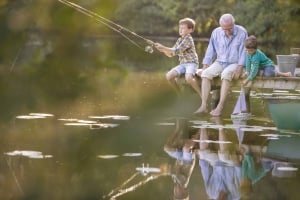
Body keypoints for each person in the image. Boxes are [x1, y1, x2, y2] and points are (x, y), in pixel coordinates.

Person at [194, 13, 248, 116]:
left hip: (235, 63)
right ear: (221, 26)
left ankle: (219, 107)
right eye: (225, 29)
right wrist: (205, 66)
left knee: (226, 74)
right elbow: (210, 50)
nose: (227, 31)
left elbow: (243, 53)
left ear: (233, 24)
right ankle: (204, 106)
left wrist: (239, 69)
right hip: (220, 61)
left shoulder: (242, 32)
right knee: (205, 74)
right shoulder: (216, 32)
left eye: (230, 28)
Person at [154, 18, 202, 101]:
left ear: (190, 30)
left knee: (188, 78)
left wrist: (163, 47)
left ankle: (202, 95)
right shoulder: (180, 40)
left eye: (183, 28)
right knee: (169, 76)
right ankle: (180, 95)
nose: (180, 30)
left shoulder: (188, 39)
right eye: (180, 28)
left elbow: (177, 51)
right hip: (183, 64)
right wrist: (162, 50)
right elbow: (171, 54)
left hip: (192, 63)